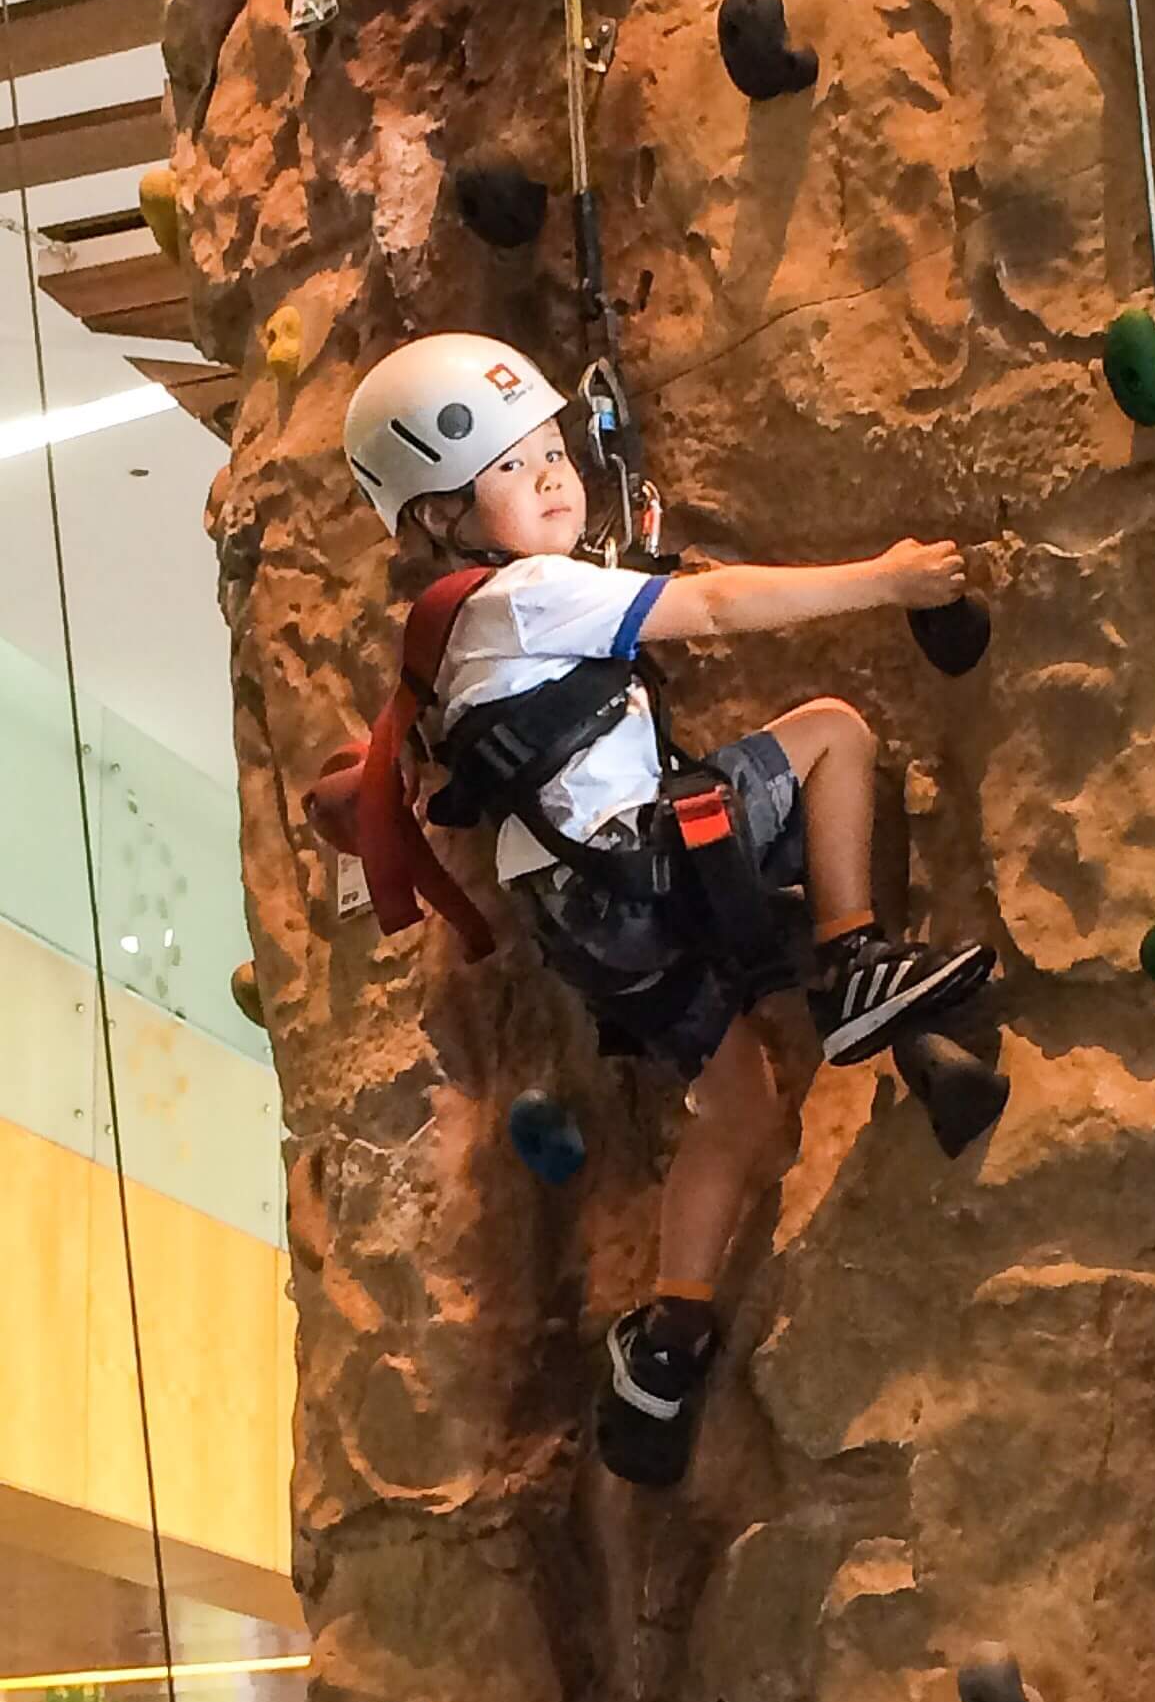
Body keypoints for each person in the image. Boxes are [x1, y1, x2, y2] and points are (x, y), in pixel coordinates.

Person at [344, 333, 994, 1485]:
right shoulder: (533, 592)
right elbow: (723, 606)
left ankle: (666, 1347)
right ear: (441, 518)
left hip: (589, 918)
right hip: (637, 861)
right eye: (511, 466)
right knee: (834, 733)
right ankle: (854, 967)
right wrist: (886, 580)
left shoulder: (467, 629)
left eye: (552, 450)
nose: (550, 474)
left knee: (739, 1108)